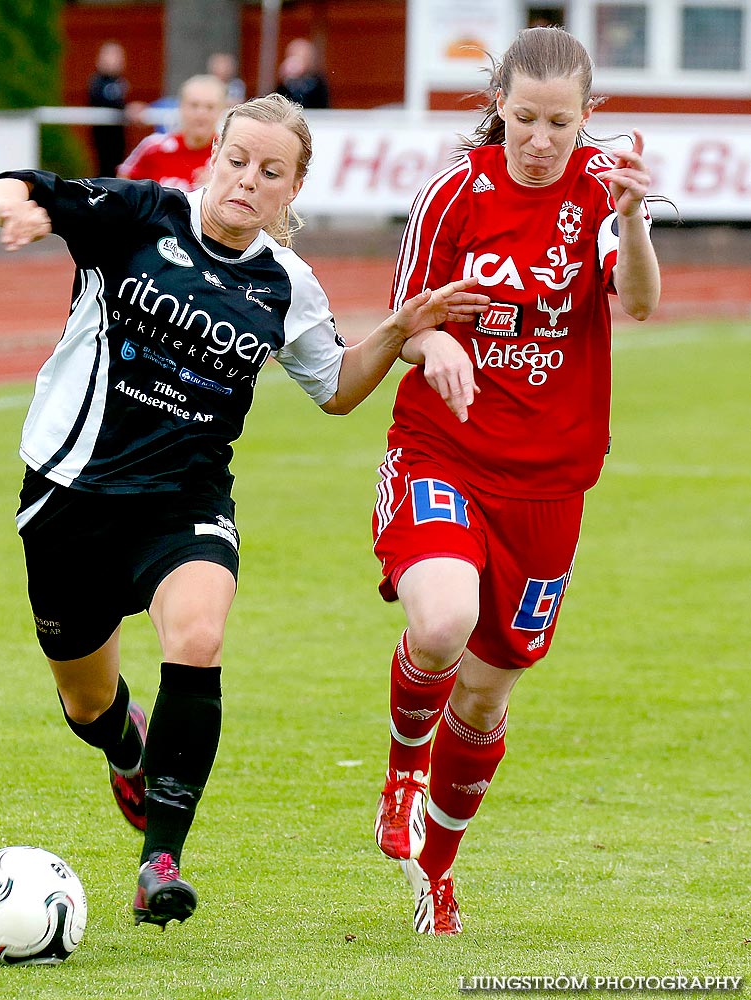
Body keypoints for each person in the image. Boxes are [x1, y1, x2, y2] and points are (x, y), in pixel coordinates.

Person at [0, 94, 489, 930]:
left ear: (294, 189)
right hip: (70, 496)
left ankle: (161, 863)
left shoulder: (287, 284)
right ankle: (124, 746)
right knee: (86, 701)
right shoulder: (140, 214)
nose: (249, 181)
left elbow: (334, 389)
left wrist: (400, 328)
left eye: (272, 171)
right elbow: (10, 186)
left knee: (200, 636)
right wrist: (20, 211)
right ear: (213, 158)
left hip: (186, 504)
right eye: (239, 161)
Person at [370, 26, 661, 935]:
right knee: (443, 620)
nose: (540, 140)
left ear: (587, 117)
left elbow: (642, 303)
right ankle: (402, 771)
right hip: (443, 450)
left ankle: (439, 871)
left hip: (551, 484)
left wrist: (632, 218)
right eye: (524, 118)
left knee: (490, 693)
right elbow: (405, 322)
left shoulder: (598, 193)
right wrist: (438, 341)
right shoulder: (453, 196)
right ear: (498, 105)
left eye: (559, 123)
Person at [117, 75, 228, 191]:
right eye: (194, 105)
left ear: (221, 110)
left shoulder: (228, 154)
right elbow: (122, 186)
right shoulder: (153, 147)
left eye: (210, 107)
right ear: (181, 107)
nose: (201, 113)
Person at [86, 41, 130, 178]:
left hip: (118, 137)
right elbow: (102, 101)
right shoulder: (97, 82)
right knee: (105, 170)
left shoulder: (120, 82)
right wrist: (126, 110)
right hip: (103, 138)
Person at [275, 38, 331, 109]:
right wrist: (284, 81)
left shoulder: (317, 81)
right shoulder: (285, 83)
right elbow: (280, 102)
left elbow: (321, 103)